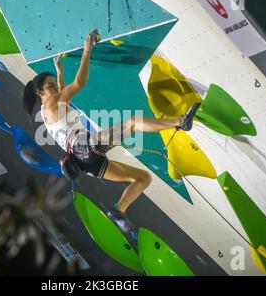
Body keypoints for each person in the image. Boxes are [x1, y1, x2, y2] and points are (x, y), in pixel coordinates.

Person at [23, 31, 200, 233]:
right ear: (40, 93)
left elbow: (63, 94)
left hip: (85, 163)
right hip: (85, 147)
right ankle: (181, 122)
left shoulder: (48, 112)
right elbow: (79, 84)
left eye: (54, 85)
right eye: (50, 86)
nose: (55, 88)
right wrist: (87, 51)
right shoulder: (53, 102)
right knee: (132, 123)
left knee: (143, 178)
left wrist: (60, 73)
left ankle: (119, 211)